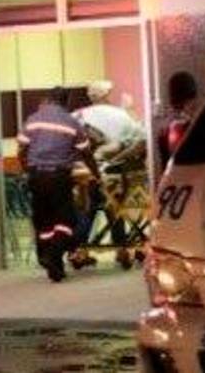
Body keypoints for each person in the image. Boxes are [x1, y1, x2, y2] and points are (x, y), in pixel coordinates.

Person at [17, 87, 100, 282]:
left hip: (37, 176)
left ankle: (50, 260)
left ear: (48, 99)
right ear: (66, 101)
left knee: (43, 220)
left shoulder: (33, 119)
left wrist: (28, 169)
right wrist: (96, 174)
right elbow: (86, 152)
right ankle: (54, 254)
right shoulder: (71, 122)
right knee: (66, 219)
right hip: (59, 177)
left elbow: (22, 148)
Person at [70, 80, 148, 269]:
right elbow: (141, 140)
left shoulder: (76, 116)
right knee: (114, 204)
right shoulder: (120, 115)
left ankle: (79, 249)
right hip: (115, 176)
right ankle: (121, 247)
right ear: (105, 95)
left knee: (87, 208)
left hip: (83, 176)